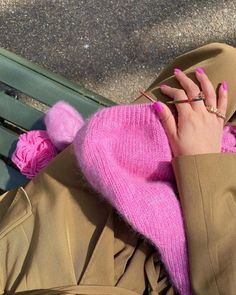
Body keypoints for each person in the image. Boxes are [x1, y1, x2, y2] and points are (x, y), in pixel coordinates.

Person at [0, 42, 235, 295]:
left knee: (204, 88)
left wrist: (201, 163)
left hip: (70, 263)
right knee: (225, 66)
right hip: (212, 242)